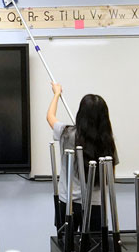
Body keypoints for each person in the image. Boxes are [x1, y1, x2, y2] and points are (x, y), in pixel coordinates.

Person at [47, 81, 118, 232]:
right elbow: (110, 178)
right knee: (94, 250)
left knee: (66, 250)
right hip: (96, 204)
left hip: (68, 204)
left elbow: (50, 117)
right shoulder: (107, 141)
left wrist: (56, 94)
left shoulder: (67, 133)